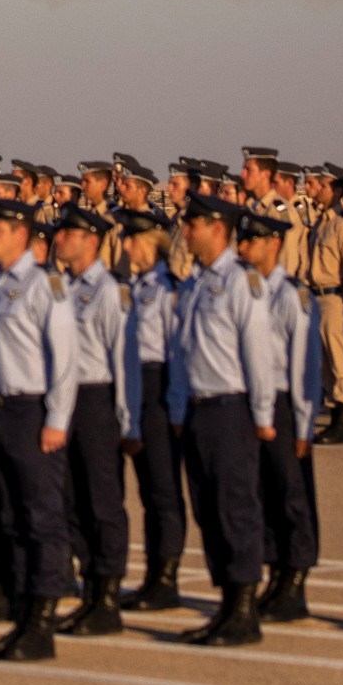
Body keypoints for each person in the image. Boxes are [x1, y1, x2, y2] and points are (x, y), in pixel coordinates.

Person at [0, 198, 75, 663]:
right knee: (8, 517)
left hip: (31, 412)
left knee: (41, 520)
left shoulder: (43, 284)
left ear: (18, 232)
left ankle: (41, 624)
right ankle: (19, 614)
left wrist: (55, 419)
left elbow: (64, 360)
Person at [166, 195, 274, 647]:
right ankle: (225, 606)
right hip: (197, 409)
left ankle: (244, 610)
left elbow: (259, 355)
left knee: (235, 510)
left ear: (217, 227)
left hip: (231, 408)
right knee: (208, 512)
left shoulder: (241, 282)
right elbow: (182, 352)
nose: (185, 231)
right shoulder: (193, 285)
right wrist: (177, 410)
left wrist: (263, 416)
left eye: (192, 224)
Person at [51, 206, 138, 638]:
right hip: (66, 400)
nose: (59, 239)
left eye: (67, 233)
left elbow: (124, 362)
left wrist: (128, 421)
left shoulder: (109, 291)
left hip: (97, 401)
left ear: (90, 239)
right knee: (71, 500)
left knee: (102, 502)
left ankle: (107, 596)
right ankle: (89, 589)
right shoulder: (63, 289)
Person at [234, 213, 321, 624]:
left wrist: (305, 425)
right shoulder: (249, 292)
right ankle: (275, 575)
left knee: (291, 494)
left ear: (272, 245)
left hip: (285, 404)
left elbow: (307, 366)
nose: (242, 249)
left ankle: (295, 580)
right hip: (255, 402)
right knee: (263, 493)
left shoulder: (293, 296)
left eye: (250, 242)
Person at [117, 208, 186, 611]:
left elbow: (176, 351)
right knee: (144, 489)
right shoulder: (133, 287)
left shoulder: (166, 289)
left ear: (150, 243)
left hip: (159, 388)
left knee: (162, 488)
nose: (126, 246)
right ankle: (150, 575)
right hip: (134, 386)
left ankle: (166, 578)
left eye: (132, 240)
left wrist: (176, 409)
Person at [308, 164, 343, 445]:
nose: (318, 188)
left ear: (338, 191)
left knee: (341, 360)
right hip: (317, 297)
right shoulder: (322, 221)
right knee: (325, 363)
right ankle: (334, 415)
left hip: (335, 299)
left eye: (324, 185)